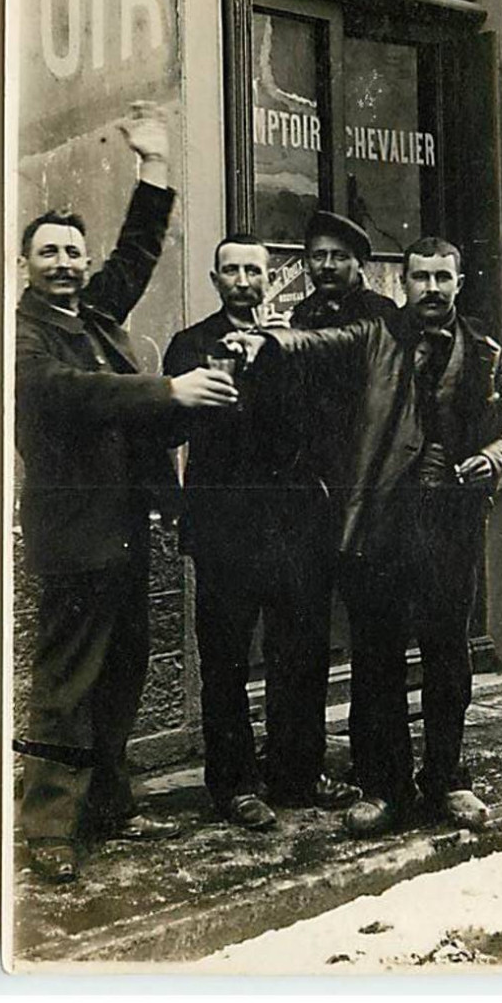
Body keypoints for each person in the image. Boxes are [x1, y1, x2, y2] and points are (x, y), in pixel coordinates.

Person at [226, 236, 502, 839]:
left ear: (459, 282)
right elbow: (317, 341)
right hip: (384, 522)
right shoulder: (377, 336)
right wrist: (266, 338)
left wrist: (493, 459)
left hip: (449, 525)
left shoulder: (488, 352)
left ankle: (448, 779)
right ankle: (386, 788)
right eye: (420, 277)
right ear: (404, 282)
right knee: (377, 658)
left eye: (443, 278)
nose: (432, 289)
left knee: (448, 658)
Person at [15, 103, 240, 884]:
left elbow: (137, 253)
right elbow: (70, 393)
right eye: (50, 252)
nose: (67, 263)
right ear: (26, 265)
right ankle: (46, 824)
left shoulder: (93, 312)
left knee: (123, 667)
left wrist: (156, 168)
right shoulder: (26, 335)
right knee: (66, 677)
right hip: (73, 530)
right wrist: (169, 390)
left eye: (73, 252)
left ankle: (106, 804)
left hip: (120, 526)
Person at [163, 234, 360, 831]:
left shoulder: (292, 342)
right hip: (225, 528)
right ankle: (233, 785)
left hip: (295, 526)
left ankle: (297, 774)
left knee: (299, 653)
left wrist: (277, 353)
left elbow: (326, 420)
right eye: (231, 269)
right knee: (224, 660)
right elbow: (169, 428)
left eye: (254, 268)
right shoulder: (191, 345)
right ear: (215, 278)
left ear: (270, 276)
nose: (243, 279)